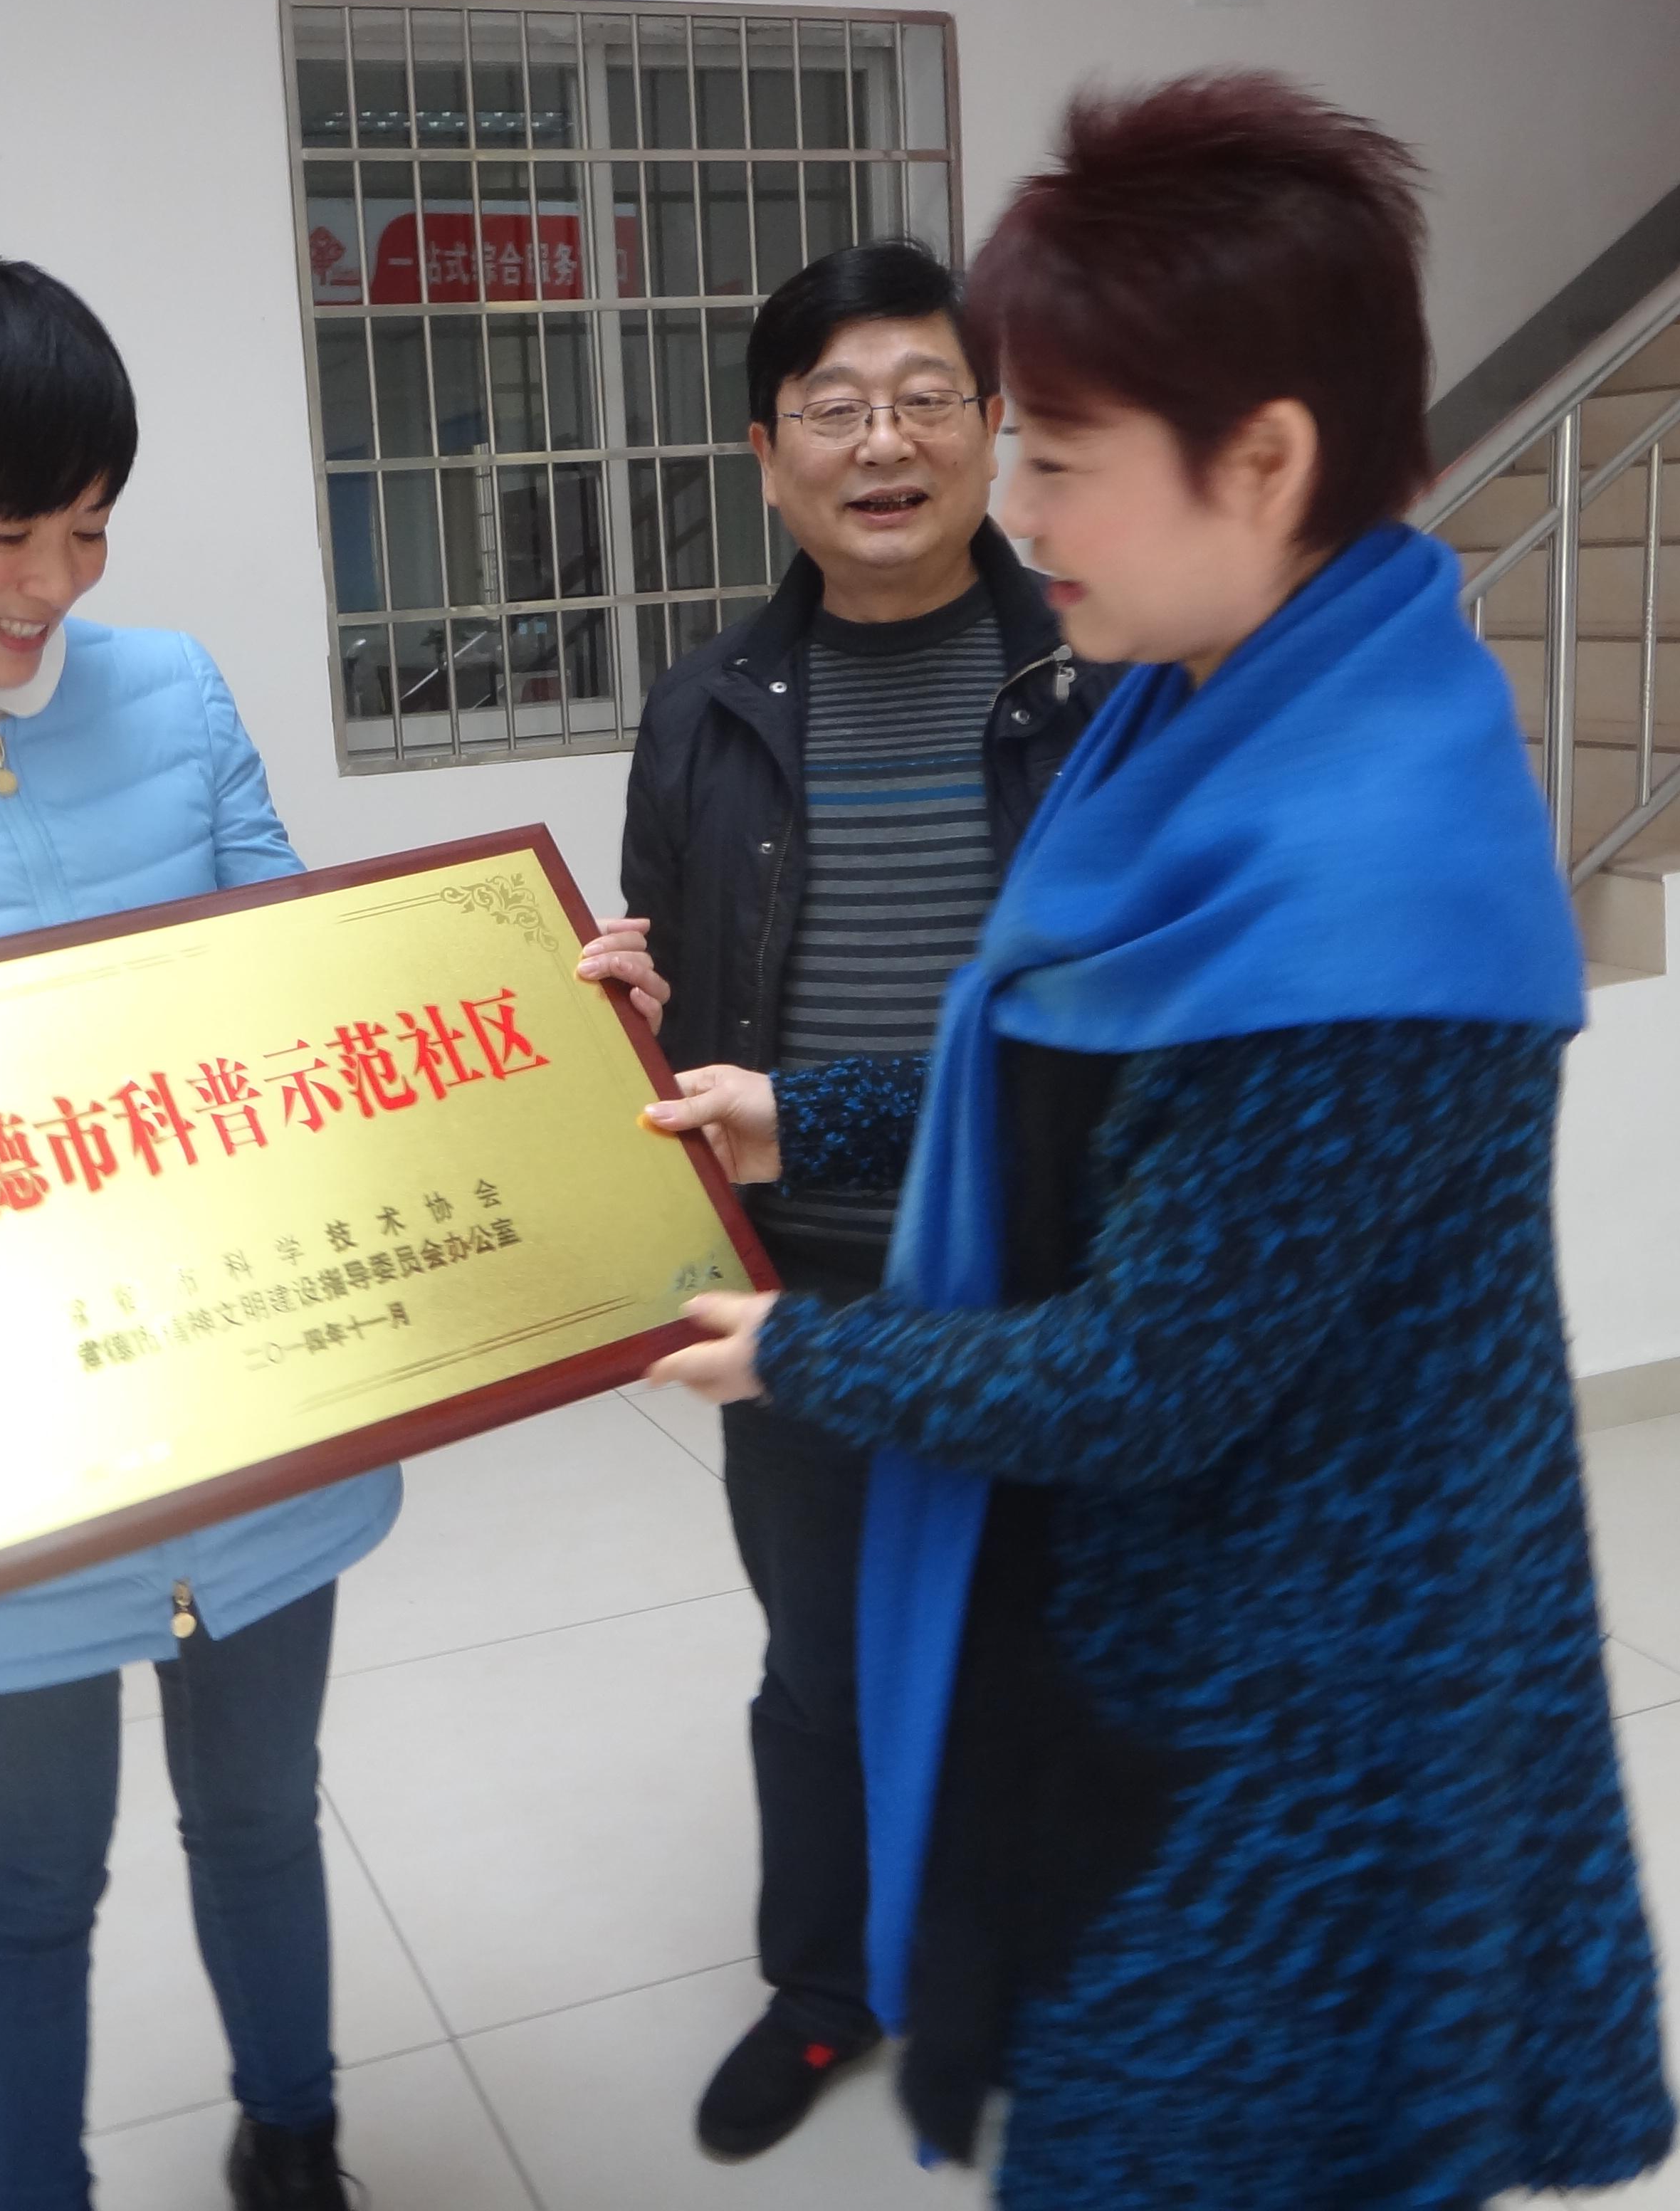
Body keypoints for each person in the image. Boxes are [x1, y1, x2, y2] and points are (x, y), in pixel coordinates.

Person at [641, 74, 1676, 2208]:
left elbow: (1148, 1372)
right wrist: (797, 1109)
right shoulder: (1194, 708)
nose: (1008, 501)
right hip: (1147, 1640)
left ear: (1263, 458)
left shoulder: (1369, 872)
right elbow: (1082, 1073)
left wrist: (800, 1348)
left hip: (1291, 1710)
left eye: (1054, 451)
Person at [0, 251, 659, 2211]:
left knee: (265, 1816)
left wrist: (543, 1015)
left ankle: (298, 2142)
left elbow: (300, 990)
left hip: (259, 1375)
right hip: (4, 1454)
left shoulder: (175, 691)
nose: (50, 582)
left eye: (90, 528)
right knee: (30, 1874)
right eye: (3, 529)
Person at [617, 239, 1105, 2157]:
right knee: (819, 1663)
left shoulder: (1102, 680)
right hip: (804, 1289)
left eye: (923, 398)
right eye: (833, 406)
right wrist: (621, 1018)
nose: (881, 443)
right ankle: (830, 1985)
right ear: (766, 453)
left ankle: (1041, 1974)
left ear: (993, 427)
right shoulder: (706, 708)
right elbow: (668, 990)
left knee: (1053, 1642)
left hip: (1047, 1279)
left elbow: (1117, 1028)